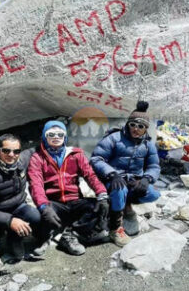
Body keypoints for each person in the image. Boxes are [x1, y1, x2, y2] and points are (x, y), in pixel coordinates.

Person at [28, 120, 109, 256]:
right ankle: (45, 238)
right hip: (53, 203)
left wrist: (101, 193)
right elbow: (36, 184)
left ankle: (70, 235)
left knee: (100, 206)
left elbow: (91, 176)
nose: (56, 137)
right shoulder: (37, 158)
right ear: (44, 137)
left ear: (65, 137)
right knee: (38, 215)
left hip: (74, 200)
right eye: (51, 134)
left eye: (60, 134)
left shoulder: (75, 155)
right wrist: (43, 206)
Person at [91, 100, 161, 246]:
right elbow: (97, 158)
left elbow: (154, 165)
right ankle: (115, 228)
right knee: (118, 189)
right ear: (128, 124)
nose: (136, 129)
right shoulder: (114, 138)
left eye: (140, 126)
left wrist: (147, 179)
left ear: (146, 129)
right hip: (113, 179)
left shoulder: (148, 144)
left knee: (153, 194)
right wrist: (112, 174)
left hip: (134, 180)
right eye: (133, 124)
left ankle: (125, 204)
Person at [0, 134, 48, 268]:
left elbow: (34, 150)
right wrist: (10, 221)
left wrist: (55, 140)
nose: (12, 155)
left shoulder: (21, 161)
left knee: (35, 216)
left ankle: (14, 239)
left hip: (16, 207)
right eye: (6, 151)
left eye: (16, 151)